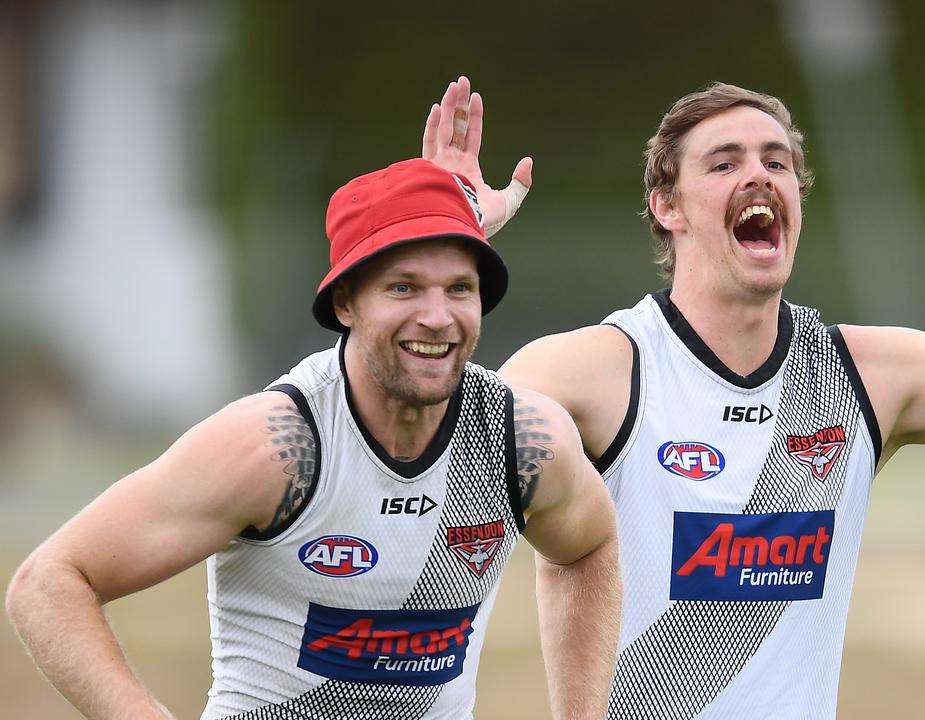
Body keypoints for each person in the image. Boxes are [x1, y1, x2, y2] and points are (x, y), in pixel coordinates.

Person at [426, 68, 925, 718]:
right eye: (726, 162)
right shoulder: (596, 370)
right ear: (666, 207)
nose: (760, 174)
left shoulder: (863, 376)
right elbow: (418, 444)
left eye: (777, 161)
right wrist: (439, 246)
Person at [5, 154, 621, 719]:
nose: (437, 316)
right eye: (403, 287)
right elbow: (50, 583)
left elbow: (589, 548)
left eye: (459, 288)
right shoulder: (279, 446)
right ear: (346, 303)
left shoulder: (520, 439)